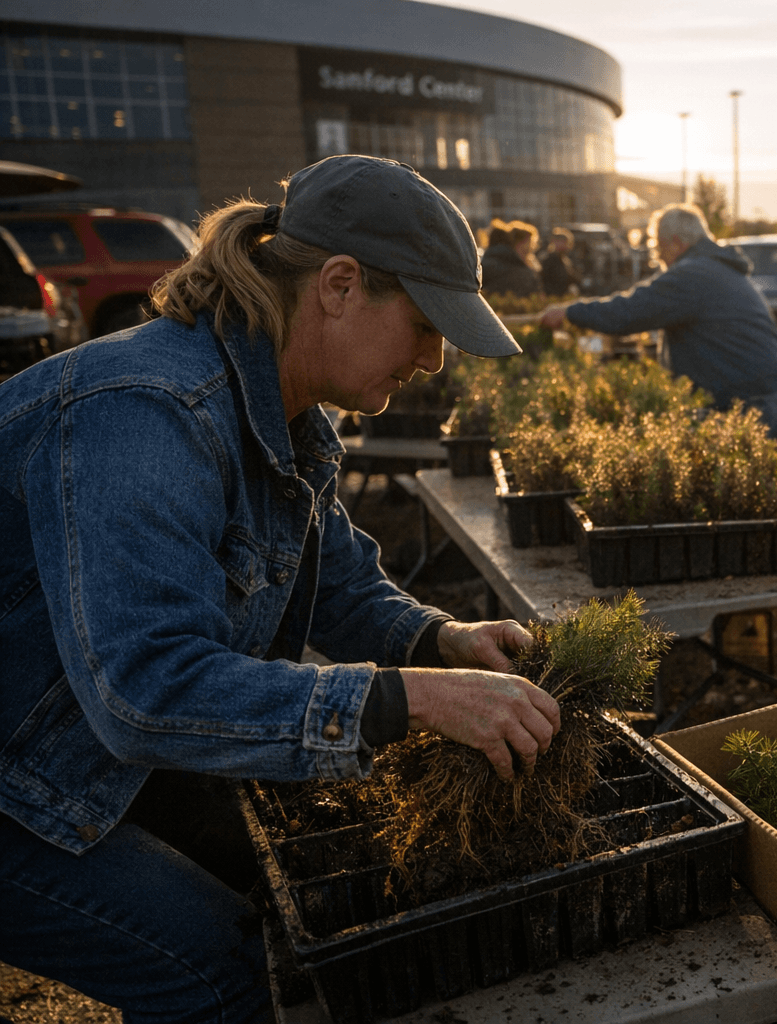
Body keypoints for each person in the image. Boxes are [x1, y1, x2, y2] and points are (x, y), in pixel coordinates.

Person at [0, 154, 563, 1021]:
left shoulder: (287, 413)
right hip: (20, 776)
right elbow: (144, 690)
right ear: (338, 285)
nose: (434, 361)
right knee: (211, 963)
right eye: (423, 324)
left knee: (290, 869)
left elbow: (337, 584)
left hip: (67, 737)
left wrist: (439, 642)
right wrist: (408, 699)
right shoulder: (146, 412)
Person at [539, 203, 777, 437]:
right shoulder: (719, 269)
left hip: (746, 409)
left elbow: (628, 312)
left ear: (675, 243)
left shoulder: (693, 275)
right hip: (767, 400)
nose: (658, 258)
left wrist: (569, 312)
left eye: (657, 249)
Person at [481, 219, 542, 298]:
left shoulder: (490, 259)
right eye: (528, 249)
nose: (530, 255)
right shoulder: (521, 272)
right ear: (518, 245)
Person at [540, 226, 581, 298]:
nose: (565, 245)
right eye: (562, 241)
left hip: (563, 298)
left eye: (566, 242)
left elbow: (572, 279)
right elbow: (544, 282)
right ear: (554, 242)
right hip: (553, 299)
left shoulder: (565, 260)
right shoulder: (548, 259)